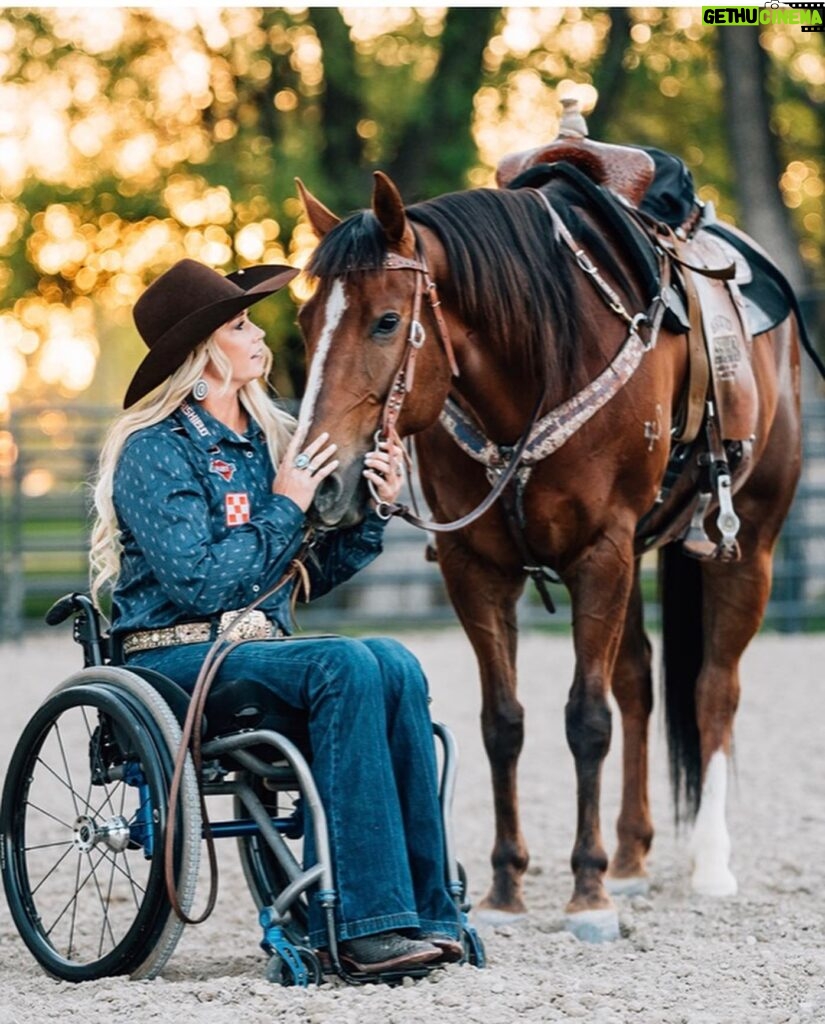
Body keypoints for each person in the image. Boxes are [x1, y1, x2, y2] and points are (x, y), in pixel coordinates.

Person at [89, 258, 462, 974]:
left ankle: (426, 910)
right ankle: (362, 925)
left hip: (258, 656)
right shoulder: (153, 451)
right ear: (203, 353)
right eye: (239, 325)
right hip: (173, 663)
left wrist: (374, 512)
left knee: (392, 661)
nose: (257, 333)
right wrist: (287, 502)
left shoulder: (272, 441)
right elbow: (201, 584)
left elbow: (304, 576)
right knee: (346, 662)